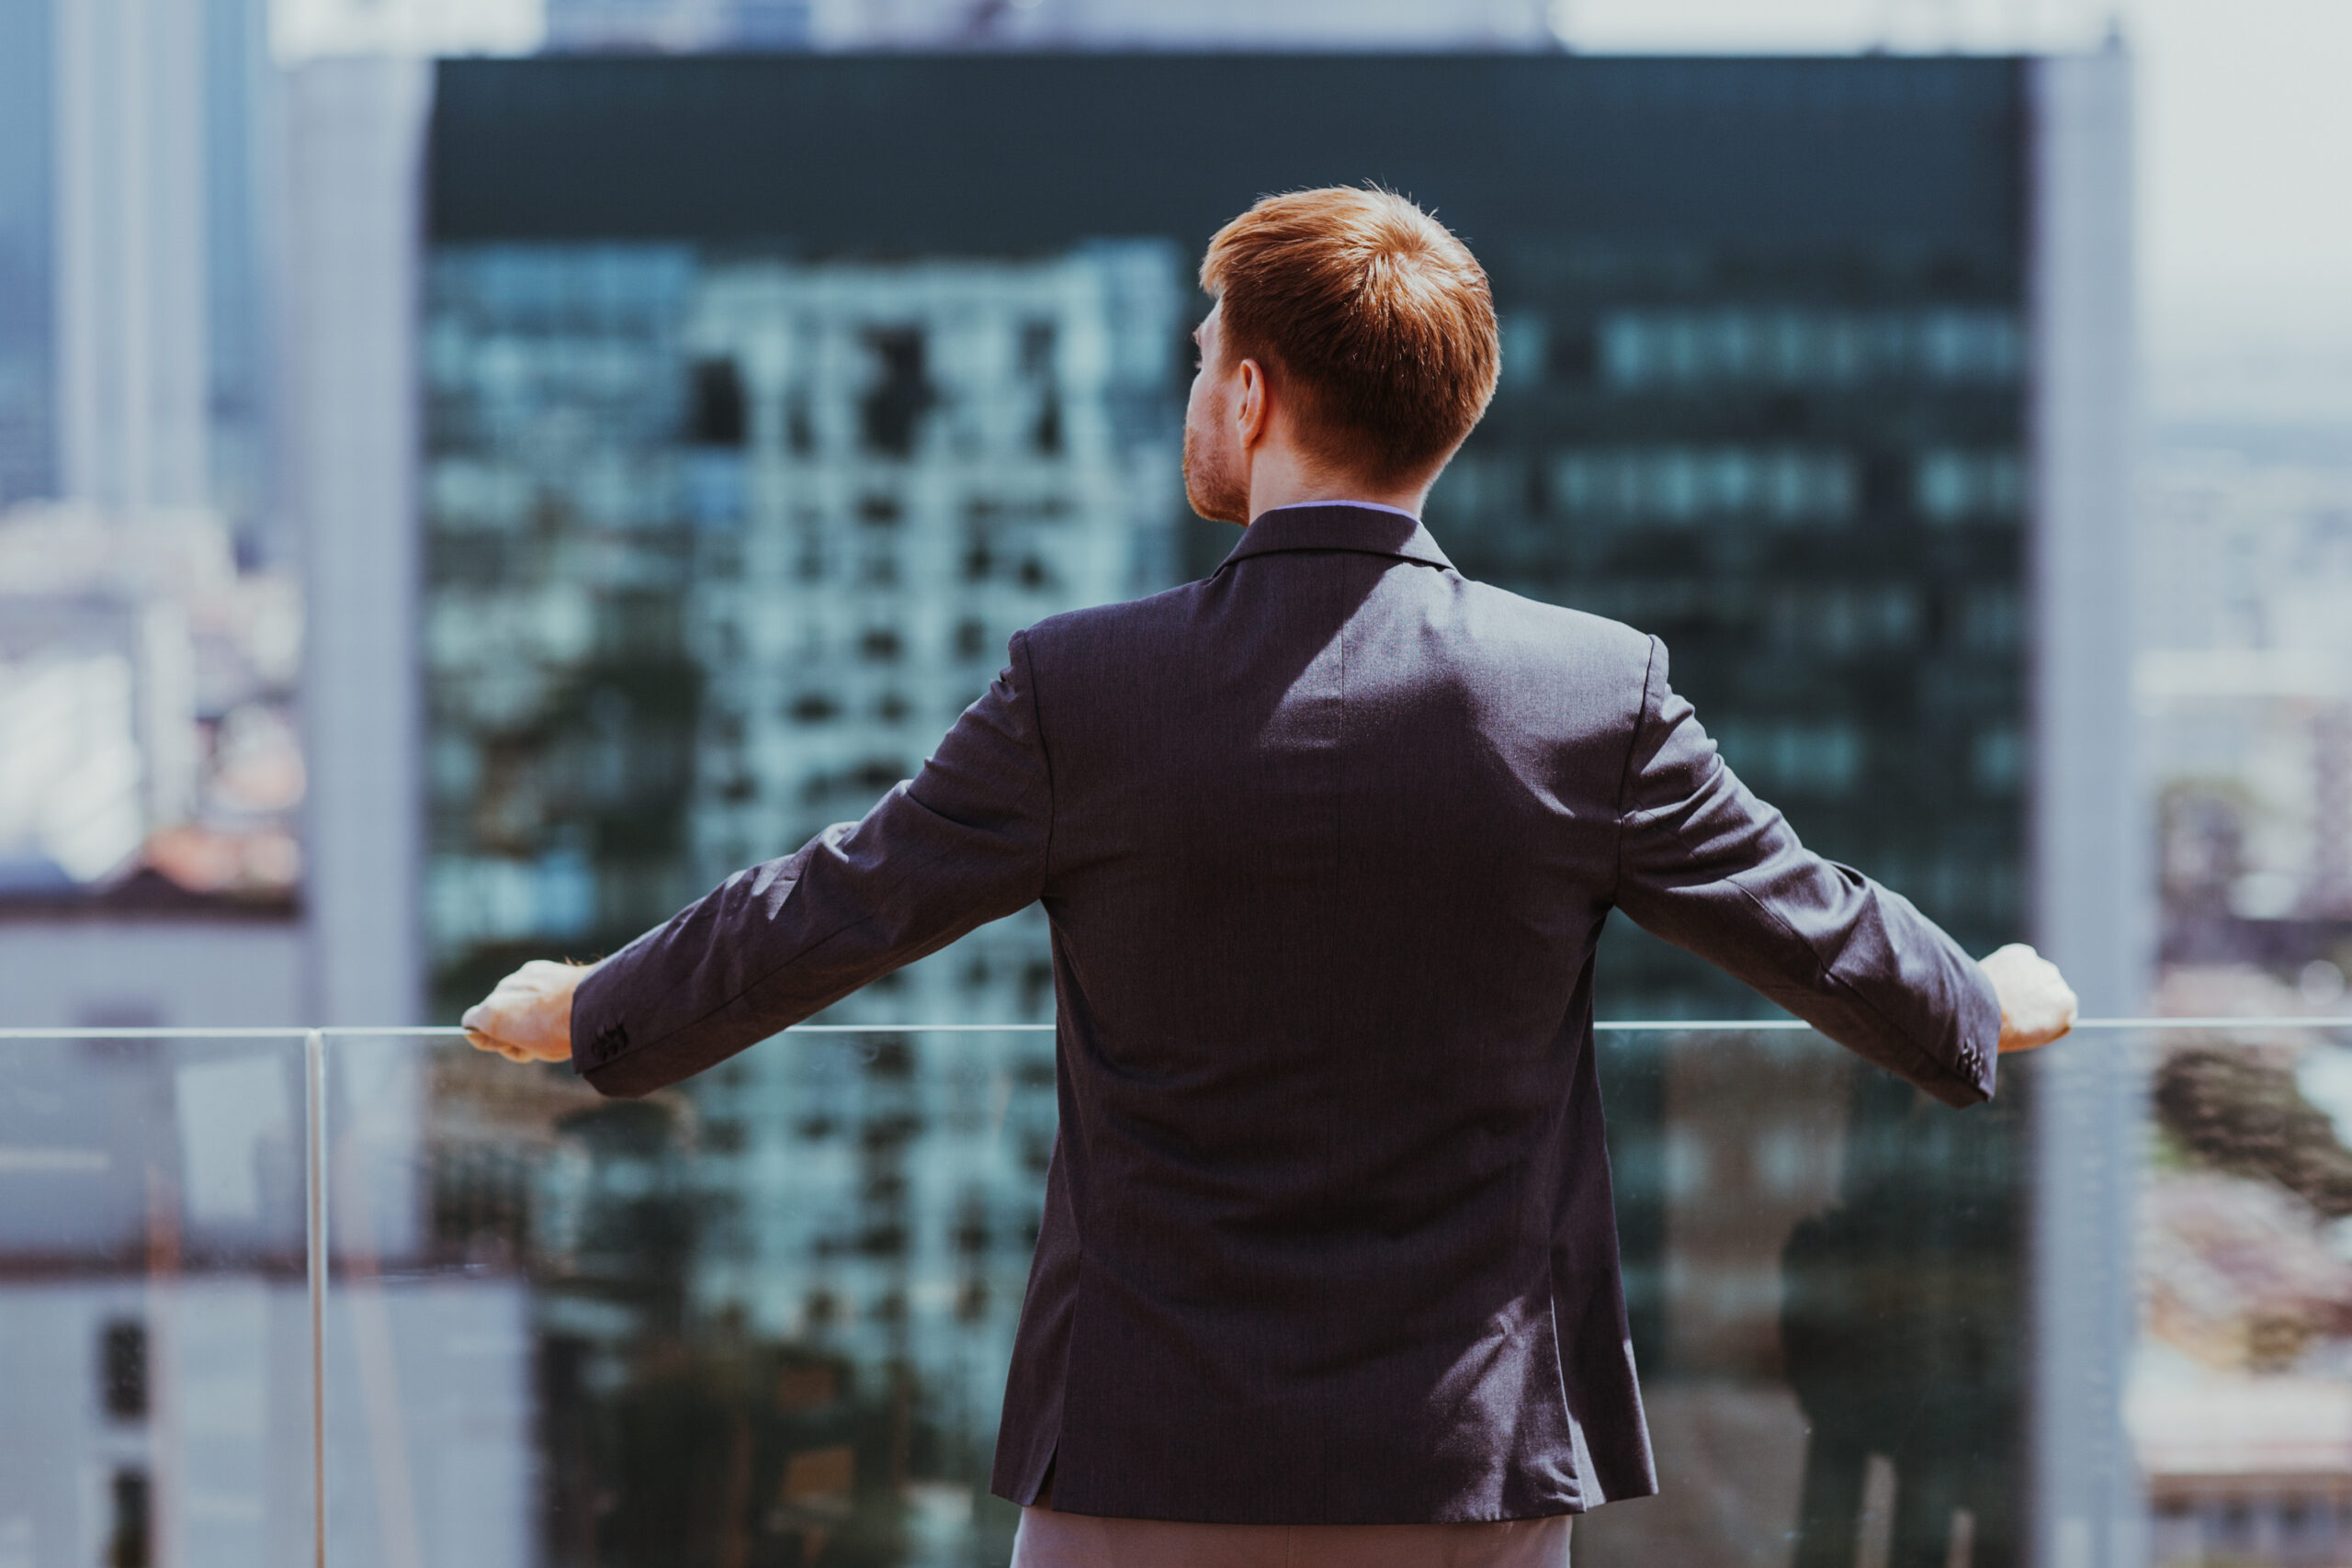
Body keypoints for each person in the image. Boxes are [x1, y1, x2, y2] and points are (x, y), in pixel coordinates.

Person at [463, 186, 2077, 1568]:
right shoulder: (1592, 695)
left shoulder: (1083, 692)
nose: (1191, 400)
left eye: (1195, 365)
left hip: (1141, 1468)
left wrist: (596, 1008)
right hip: (1463, 1478)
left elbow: (834, 906)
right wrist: (1978, 1002)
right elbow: (1811, 924)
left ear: (1250, 395)